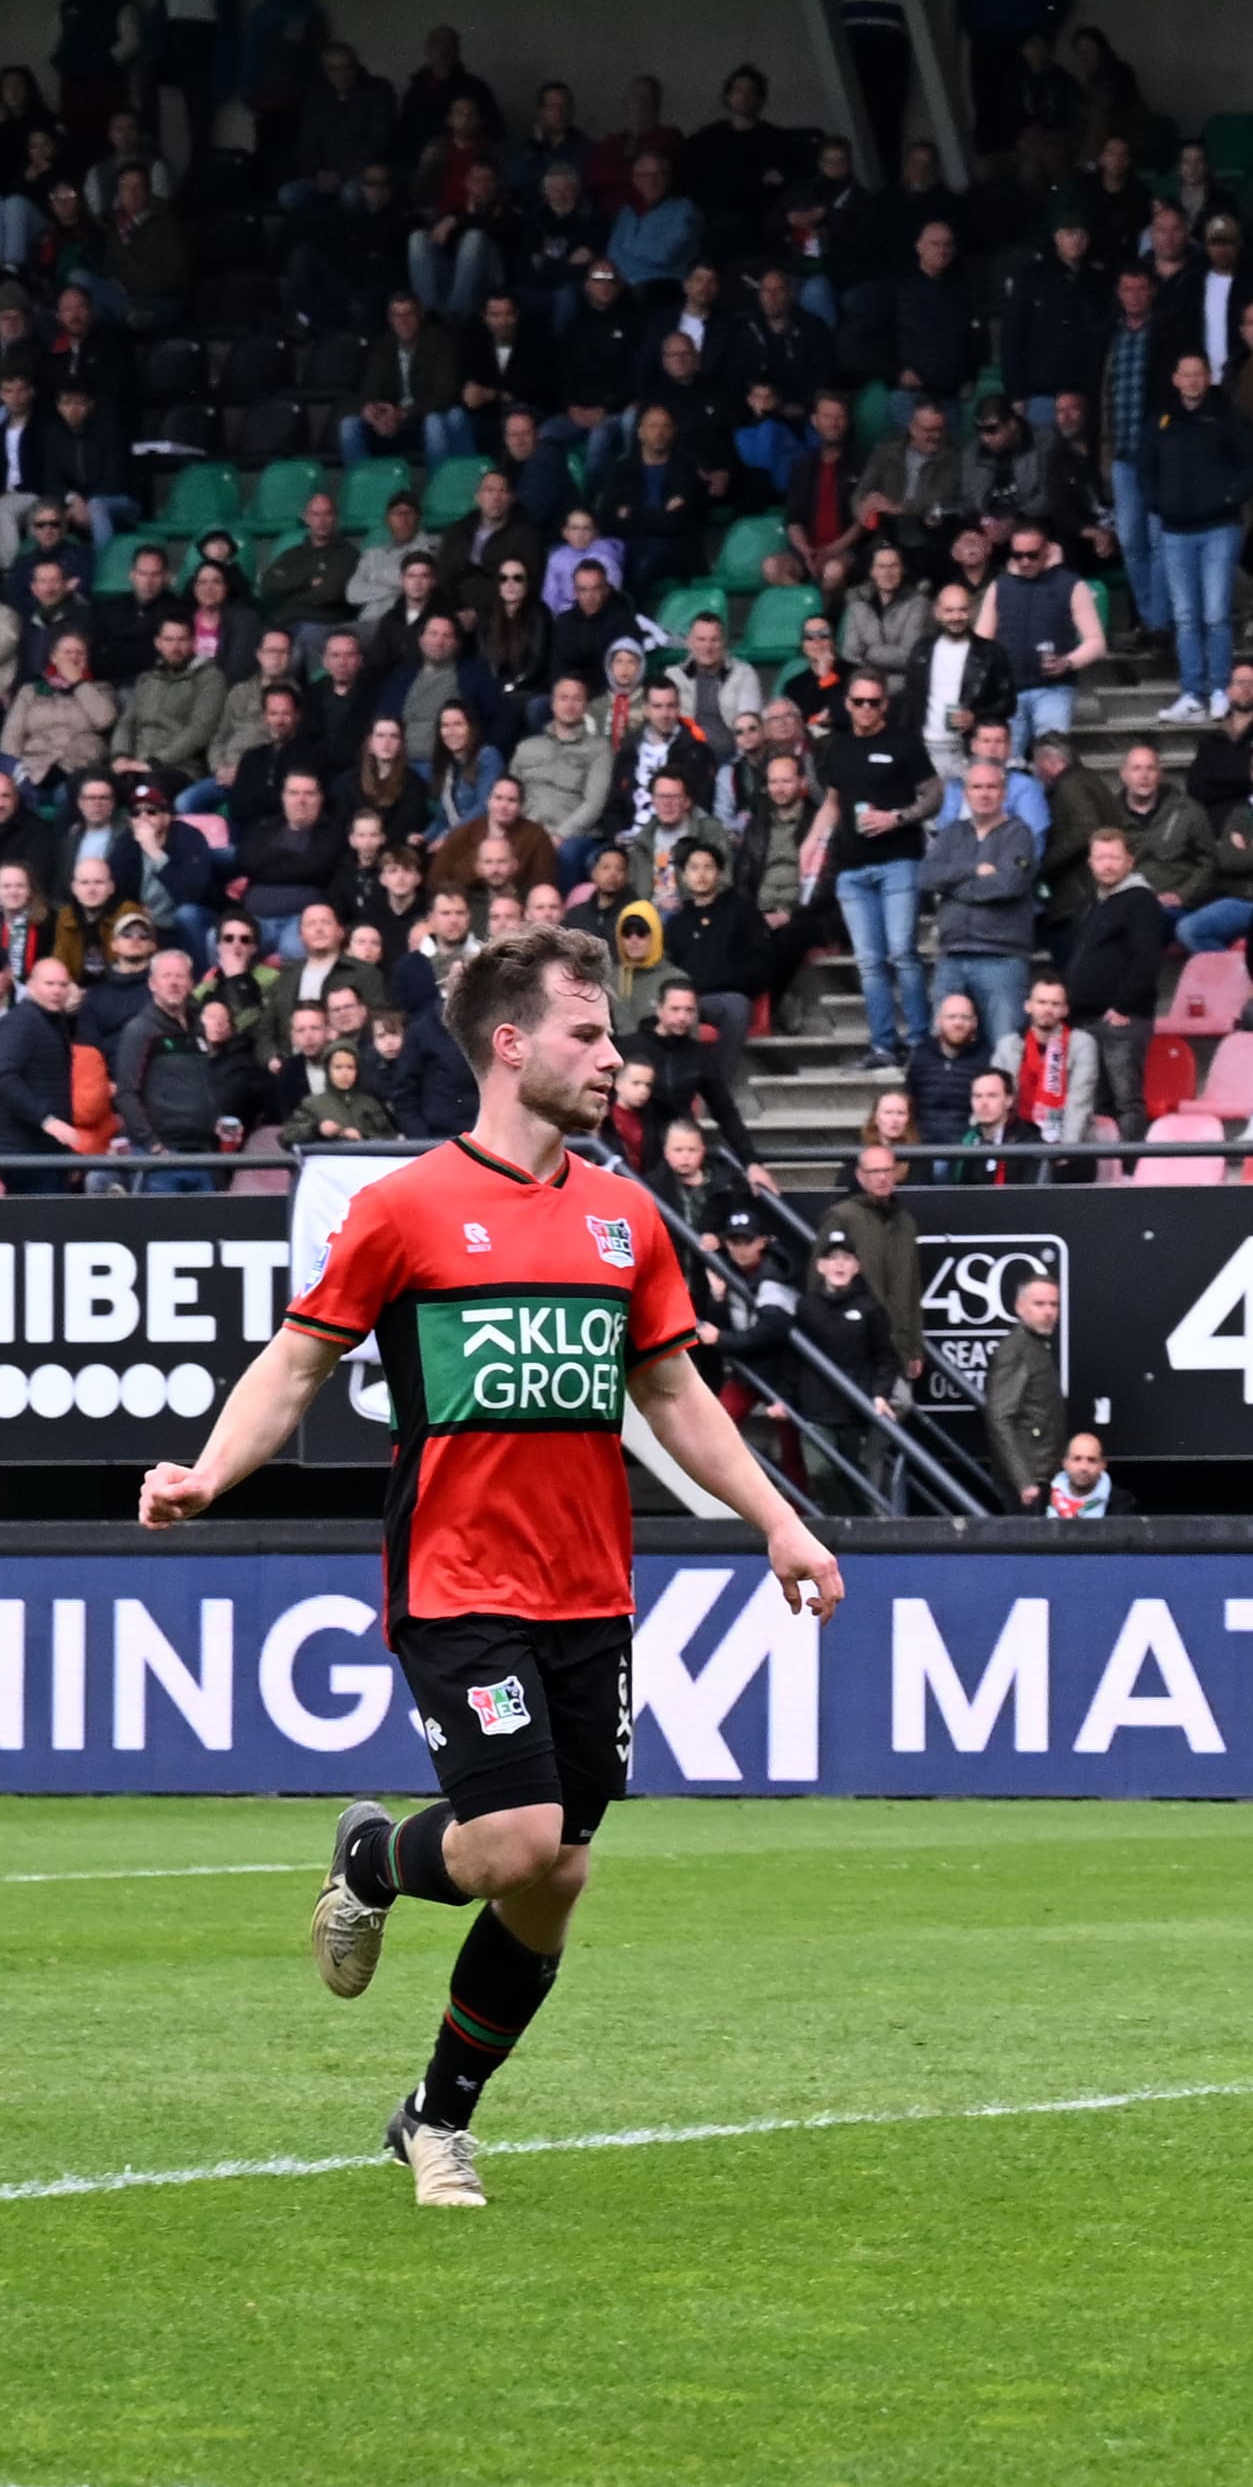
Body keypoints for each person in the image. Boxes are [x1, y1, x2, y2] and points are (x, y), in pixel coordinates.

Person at [140, 929, 846, 2206]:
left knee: (558, 1872)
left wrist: (777, 1521)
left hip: (592, 1590)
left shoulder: (626, 1217)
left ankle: (434, 2116)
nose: (614, 1056)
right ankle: (373, 1864)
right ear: (511, 1046)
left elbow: (673, 1395)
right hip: (457, 1578)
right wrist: (208, 1471)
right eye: (589, 1033)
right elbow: (297, 1365)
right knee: (518, 1840)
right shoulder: (402, 1209)